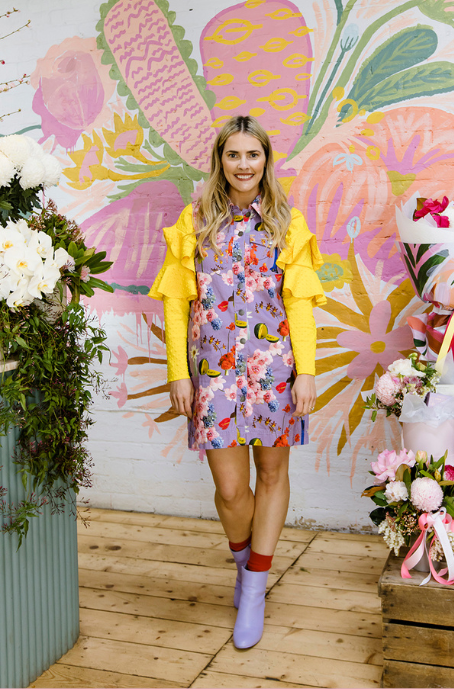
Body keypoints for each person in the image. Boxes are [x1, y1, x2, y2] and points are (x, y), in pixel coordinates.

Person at [149, 115, 326, 650]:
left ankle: (253, 588)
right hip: (216, 374)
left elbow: (299, 304)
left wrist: (308, 372)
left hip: (275, 372)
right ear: (219, 160)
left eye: (254, 155)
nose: (244, 165)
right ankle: (246, 559)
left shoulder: (286, 224)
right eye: (234, 155)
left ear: (266, 161)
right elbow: (177, 303)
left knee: (271, 476)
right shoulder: (195, 221)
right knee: (230, 489)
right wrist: (178, 372)